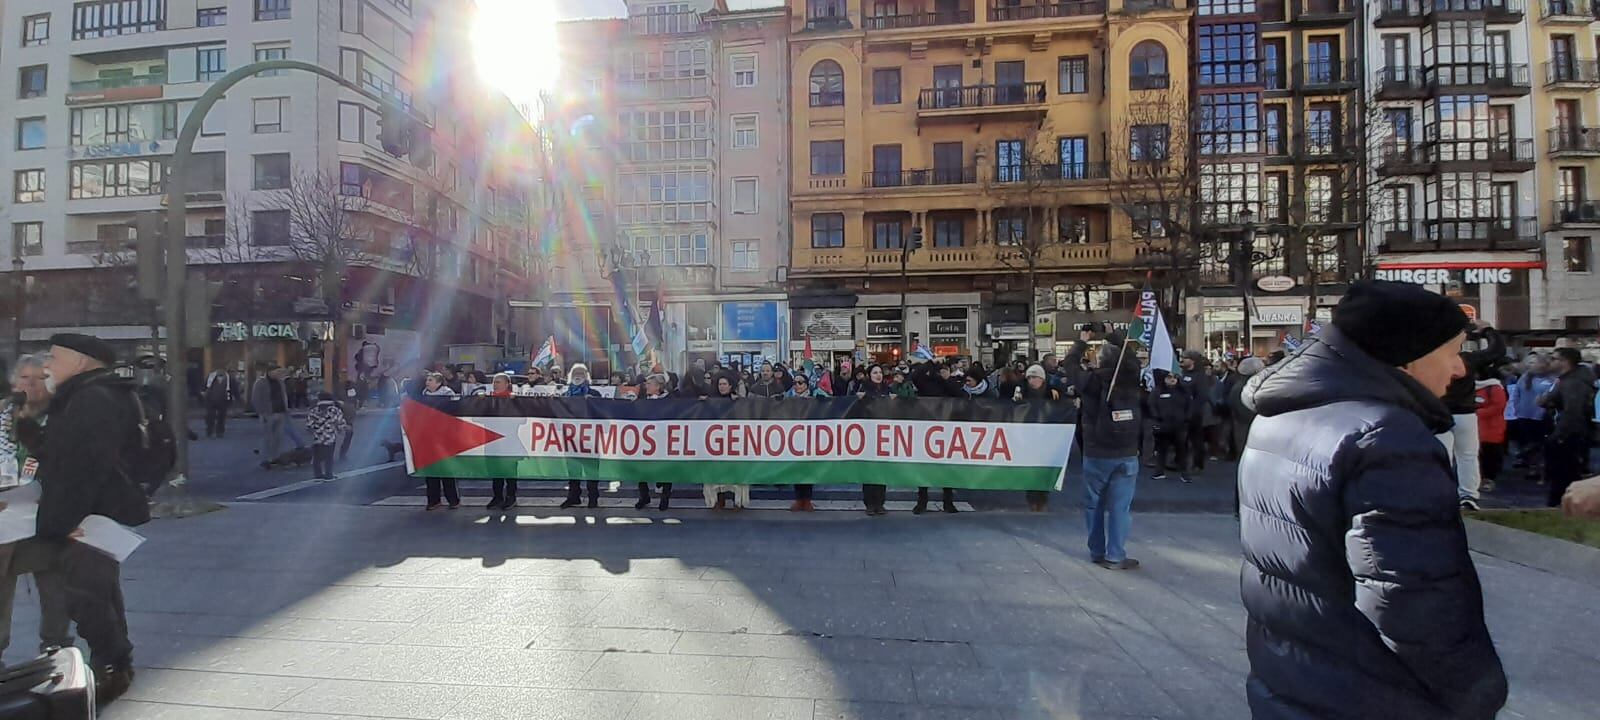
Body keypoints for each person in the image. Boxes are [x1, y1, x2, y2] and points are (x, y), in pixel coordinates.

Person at [1238, 280, 1507, 719]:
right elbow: (1413, 601)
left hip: (1292, 679)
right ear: (1409, 356)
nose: (1459, 370)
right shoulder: (1387, 437)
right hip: (1374, 694)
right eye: (1452, 351)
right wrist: (1476, 693)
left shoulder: (1280, 416)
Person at [27, 334, 152, 704]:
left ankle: (112, 668)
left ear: (81, 362)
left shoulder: (91, 399)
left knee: (86, 596)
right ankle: (116, 662)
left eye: (54, 357)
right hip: (95, 512)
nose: (47, 364)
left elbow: (80, 468)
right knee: (101, 593)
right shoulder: (96, 395)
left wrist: (60, 524)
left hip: (87, 517)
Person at [0, 356, 73, 665]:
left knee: (53, 587)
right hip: (4, 520)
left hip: (44, 517)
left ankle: (55, 648)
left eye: (38, 378)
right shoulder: (4, 416)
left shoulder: (61, 420)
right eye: (24, 378)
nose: (30, 384)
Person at [1064, 328, 1144, 569]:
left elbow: (1069, 364)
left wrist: (1081, 343)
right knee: (1120, 507)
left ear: (1099, 360)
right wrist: (1115, 337)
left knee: (1094, 504)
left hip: (1097, 451)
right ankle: (1116, 555)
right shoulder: (1130, 376)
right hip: (1126, 450)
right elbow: (1129, 359)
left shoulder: (1089, 381)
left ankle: (1097, 550)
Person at [1439, 323, 1506, 511]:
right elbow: (1497, 350)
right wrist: (1487, 331)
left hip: (1438, 413)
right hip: (1465, 413)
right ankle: (1468, 495)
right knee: (1468, 456)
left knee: (1440, 455)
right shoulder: (1467, 360)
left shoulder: (1431, 359)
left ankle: (1439, 493)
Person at [1541, 347, 1596, 507]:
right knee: (1563, 474)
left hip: (1569, 435)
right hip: (1566, 432)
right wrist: (1548, 401)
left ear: (1565, 361)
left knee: (1565, 474)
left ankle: (1563, 505)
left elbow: (1574, 412)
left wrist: (1558, 436)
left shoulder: (1574, 383)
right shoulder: (1566, 380)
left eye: (1554, 358)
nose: (1551, 362)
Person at [909, 359, 961, 514]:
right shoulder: (926, 382)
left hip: (946, 427)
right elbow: (916, 376)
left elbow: (960, 395)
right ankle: (922, 501)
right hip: (927, 427)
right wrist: (930, 363)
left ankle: (948, 502)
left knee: (946, 467)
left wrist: (948, 379)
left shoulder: (948, 383)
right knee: (924, 467)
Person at [1018, 364, 1061, 512]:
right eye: (1029, 377)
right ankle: (1031, 499)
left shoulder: (1052, 392)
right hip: (1028, 435)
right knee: (1030, 469)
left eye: (1035, 377)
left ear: (1042, 379)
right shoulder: (1021, 391)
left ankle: (1043, 498)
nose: (1032, 380)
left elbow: (1062, 407)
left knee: (1044, 469)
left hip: (1048, 436)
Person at [1507, 353, 1556, 474]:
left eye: (1537, 362)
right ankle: (1529, 463)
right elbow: (1517, 393)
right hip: (1524, 414)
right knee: (1526, 441)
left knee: (1538, 443)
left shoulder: (1552, 379)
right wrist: (1516, 408)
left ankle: (1538, 467)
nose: (1534, 365)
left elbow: (1553, 397)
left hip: (1541, 417)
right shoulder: (1525, 377)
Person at [419, 373, 461, 509]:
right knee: (430, 469)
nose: (427, 382)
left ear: (438, 383)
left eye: (430, 380)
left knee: (446, 469)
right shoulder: (423, 394)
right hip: (428, 436)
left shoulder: (448, 395)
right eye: (427, 380)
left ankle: (453, 500)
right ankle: (433, 500)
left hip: (444, 436)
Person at [634, 374, 673, 510]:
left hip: (664, 439)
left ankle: (665, 498)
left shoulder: (671, 399)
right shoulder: (642, 398)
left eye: (649, 384)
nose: (646, 386)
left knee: (666, 469)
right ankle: (644, 496)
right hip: (646, 439)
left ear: (658, 387)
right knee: (641, 469)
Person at [1146, 371, 1191, 483]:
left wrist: (1186, 418)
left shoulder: (1183, 392)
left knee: (1181, 451)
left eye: (1175, 377)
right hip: (1163, 426)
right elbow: (1151, 404)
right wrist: (1157, 417)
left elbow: (1189, 406)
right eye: (1169, 377)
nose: (1172, 379)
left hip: (1179, 426)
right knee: (1161, 450)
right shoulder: (1157, 391)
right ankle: (1159, 472)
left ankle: (1185, 474)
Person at [1175, 351, 1216, 474]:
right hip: (1180, 411)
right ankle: (1179, 462)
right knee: (1180, 439)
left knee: (1196, 440)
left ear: (1192, 361)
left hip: (1194, 414)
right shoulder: (1181, 374)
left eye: (1185, 358)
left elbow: (1201, 396)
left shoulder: (1200, 376)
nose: (1182, 360)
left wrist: (1192, 411)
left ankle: (1198, 465)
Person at [485, 373, 520, 511]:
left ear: (507, 384)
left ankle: (511, 497)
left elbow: (522, 419)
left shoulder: (514, 400)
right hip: (491, 440)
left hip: (509, 440)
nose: (495, 384)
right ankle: (497, 496)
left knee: (510, 471)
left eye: (498, 382)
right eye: (494, 382)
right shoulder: (488, 400)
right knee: (495, 470)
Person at [251, 366, 294, 469]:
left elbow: (284, 396)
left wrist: (286, 408)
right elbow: (255, 399)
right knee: (267, 438)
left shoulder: (280, 382)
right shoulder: (261, 382)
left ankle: (275, 457)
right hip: (268, 414)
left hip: (280, 412)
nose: (279, 373)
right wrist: (262, 412)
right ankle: (265, 459)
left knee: (278, 438)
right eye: (277, 371)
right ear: (270, 371)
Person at [1476, 372, 1509, 495]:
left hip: (1492, 429)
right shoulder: (1468, 386)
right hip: (1475, 429)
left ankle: (1488, 479)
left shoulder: (1494, 387)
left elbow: (1498, 407)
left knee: (1490, 456)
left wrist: (1476, 413)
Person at [1226, 356, 1264, 461]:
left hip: (1243, 427)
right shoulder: (1244, 387)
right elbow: (1244, 412)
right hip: (1246, 427)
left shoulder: (1242, 384)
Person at [306, 392, 349, 481]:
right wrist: (343, 429)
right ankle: (328, 474)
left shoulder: (313, 410)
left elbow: (309, 425)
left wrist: (315, 430)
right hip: (329, 438)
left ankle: (318, 475)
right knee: (329, 457)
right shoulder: (335, 410)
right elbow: (340, 423)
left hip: (317, 438)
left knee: (317, 458)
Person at [202, 366, 233, 438]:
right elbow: (205, 387)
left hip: (222, 400)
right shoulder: (211, 377)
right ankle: (210, 430)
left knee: (221, 417)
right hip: (211, 400)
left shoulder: (228, 378)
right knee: (210, 416)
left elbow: (232, 389)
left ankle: (219, 431)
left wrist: (232, 399)